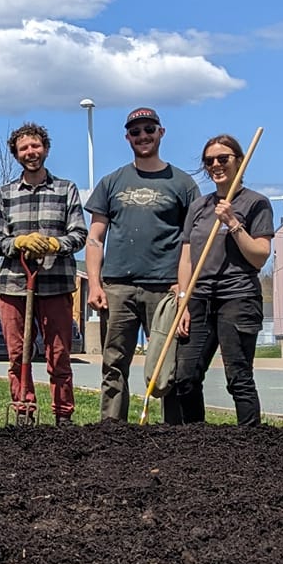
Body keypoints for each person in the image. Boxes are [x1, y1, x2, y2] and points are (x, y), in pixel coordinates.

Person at [85, 107, 198, 424]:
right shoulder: (112, 182)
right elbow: (95, 238)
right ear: (127, 138)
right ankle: (112, 430)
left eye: (149, 129)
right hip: (118, 287)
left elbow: (191, 244)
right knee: (114, 362)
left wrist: (184, 292)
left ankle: (173, 431)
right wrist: (95, 284)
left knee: (167, 364)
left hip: (165, 290)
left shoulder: (183, 184)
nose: (143, 136)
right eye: (136, 132)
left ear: (161, 132)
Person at [0, 122, 88, 427]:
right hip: (14, 286)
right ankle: (23, 411)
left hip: (56, 285)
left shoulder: (65, 189)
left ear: (45, 148)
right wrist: (18, 242)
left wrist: (56, 243)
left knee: (58, 355)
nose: (31, 153)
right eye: (24, 148)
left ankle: (63, 415)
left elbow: (80, 233)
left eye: (35, 146)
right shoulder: (4, 193)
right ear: (16, 154)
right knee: (18, 356)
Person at [172, 135, 275, 427]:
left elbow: (259, 256)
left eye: (223, 159)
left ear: (239, 161)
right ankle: (198, 442)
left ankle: (249, 443)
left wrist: (233, 223)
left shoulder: (256, 203)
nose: (216, 165)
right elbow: (186, 258)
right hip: (199, 298)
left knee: (238, 376)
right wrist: (183, 301)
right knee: (186, 377)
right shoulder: (199, 207)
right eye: (209, 161)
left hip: (238, 298)